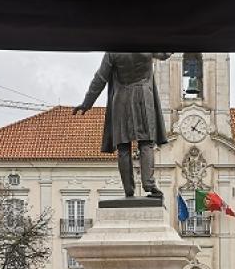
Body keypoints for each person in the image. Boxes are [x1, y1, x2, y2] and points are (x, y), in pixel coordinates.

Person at [73, 52, 171, 198]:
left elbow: (100, 78)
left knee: (123, 147)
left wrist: (87, 103)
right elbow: (165, 54)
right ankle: (149, 185)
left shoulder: (113, 51)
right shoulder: (147, 43)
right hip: (144, 96)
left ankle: (128, 190)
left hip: (121, 99)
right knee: (146, 143)